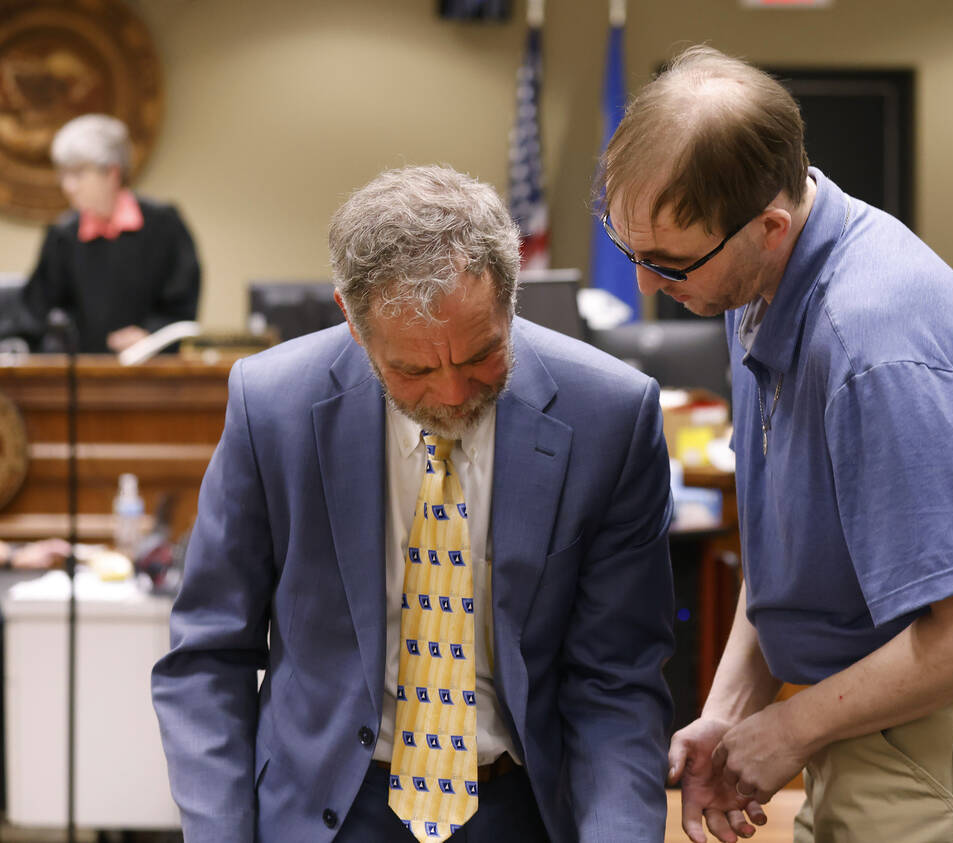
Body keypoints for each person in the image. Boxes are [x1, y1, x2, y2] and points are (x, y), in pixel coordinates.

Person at [598, 46, 953, 843]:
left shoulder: (873, 349)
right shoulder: (757, 279)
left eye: (665, 261)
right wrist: (729, 715)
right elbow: (794, 558)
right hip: (886, 709)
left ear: (767, 226)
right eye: (629, 249)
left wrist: (790, 731)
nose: (647, 286)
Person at [151, 165, 674, 843]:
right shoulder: (273, 407)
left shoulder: (610, 414)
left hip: (520, 805)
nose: (454, 394)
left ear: (510, 299)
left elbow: (617, 680)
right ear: (353, 320)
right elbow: (208, 656)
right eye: (415, 370)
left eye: (483, 354)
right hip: (323, 808)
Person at [13, 114, 200, 354]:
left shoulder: (164, 225)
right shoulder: (63, 235)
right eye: (64, 174)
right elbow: (35, 311)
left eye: (79, 174)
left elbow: (182, 304)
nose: (68, 186)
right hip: (83, 376)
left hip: (152, 373)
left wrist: (149, 334)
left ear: (112, 173)